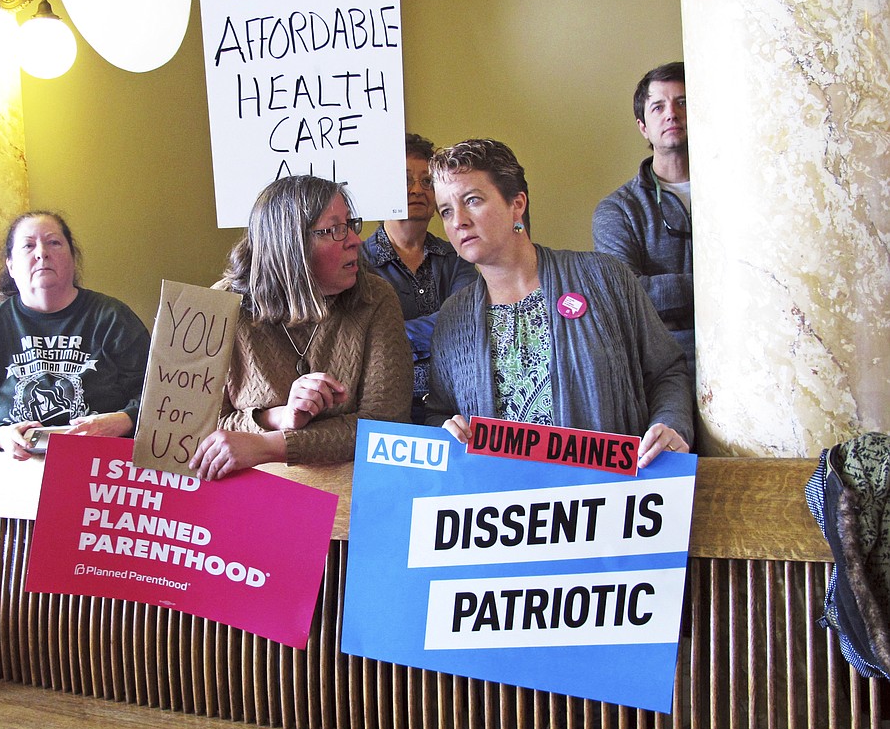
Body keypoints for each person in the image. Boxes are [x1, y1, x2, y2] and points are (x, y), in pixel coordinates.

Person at [426, 139, 693, 469]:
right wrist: (444, 430)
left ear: (517, 204)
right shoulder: (453, 318)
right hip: (506, 509)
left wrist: (669, 426)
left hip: (608, 499)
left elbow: (668, 371)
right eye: (446, 211)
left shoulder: (604, 278)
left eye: (473, 201)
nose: (458, 221)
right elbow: (438, 412)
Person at [189, 175, 412, 482]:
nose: (355, 241)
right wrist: (277, 417)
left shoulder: (375, 298)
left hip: (352, 492)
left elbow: (386, 429)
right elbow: (193, 430)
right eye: (334, 230)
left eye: (350, 224)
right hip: (250, 493)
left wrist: (268, 445)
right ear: (289, 243)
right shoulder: (221, 305)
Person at [0, 210, 151, 460]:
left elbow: (159, 399)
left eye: (53, 242)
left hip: (99, 469)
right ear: (10, 265)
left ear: (72, 258)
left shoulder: (113, 319)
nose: (42, 253)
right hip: (14, 475)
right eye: (28, 246)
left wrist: (123, 420)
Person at [361, 133, 478, 422]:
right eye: (405, 181)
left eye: (427, 182)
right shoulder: (358, 262)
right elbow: (359, 341)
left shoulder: (459, 256)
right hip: (384, 411)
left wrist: (393, 335)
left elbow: (467, 321)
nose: (417, 190)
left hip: (456, 411)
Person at [592, 61, 694, 376]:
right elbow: (625, 295)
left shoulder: (741, 195)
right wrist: (713, 288)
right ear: (643, 127)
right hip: (668, 363)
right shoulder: (618, 210)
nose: (671, 114)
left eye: (683, 102)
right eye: (658, 107)